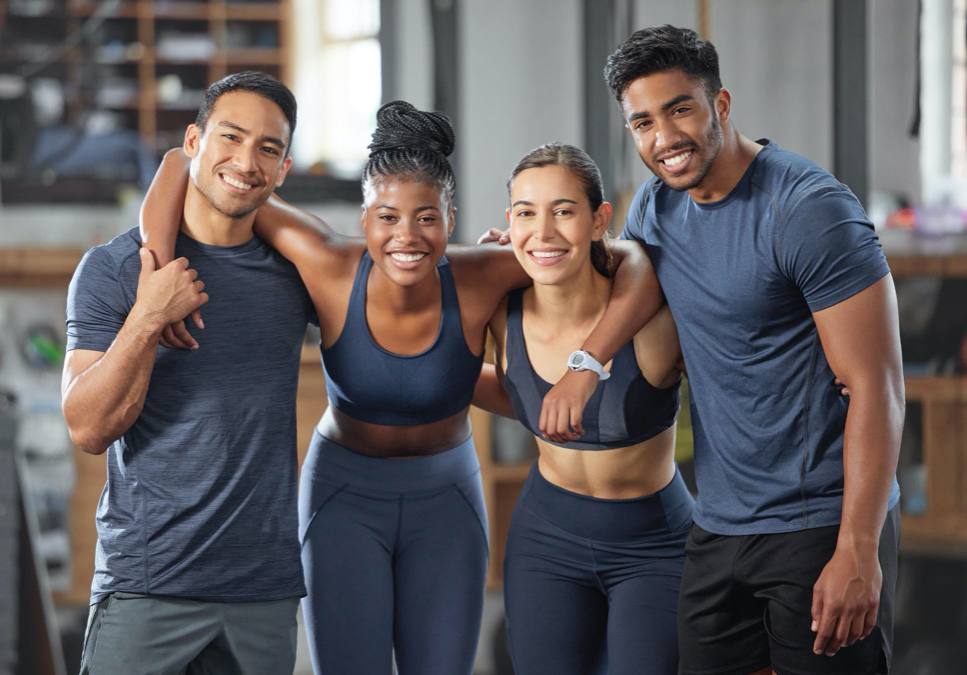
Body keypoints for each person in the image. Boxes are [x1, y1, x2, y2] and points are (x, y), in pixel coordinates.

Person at [140, 101, 663, 674]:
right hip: (343, 497)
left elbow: (635, 262)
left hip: (447, 501)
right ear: (363, 219)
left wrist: (585, 365)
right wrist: (157, 275)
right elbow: (179, 165)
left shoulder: (488, 269)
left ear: (451, 219)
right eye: (386, 218)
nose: (406, 237)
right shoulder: (326, 261)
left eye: (426, 219)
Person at [606, 25, 903, 675]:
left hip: (820, 521)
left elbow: (876, 385)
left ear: (720, 103)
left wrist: (858, 543)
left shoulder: (808, 208)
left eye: (680, 108)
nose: (663, 138)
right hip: (717, 524)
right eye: (642, 122)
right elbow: (599, 299)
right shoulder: (654, 212)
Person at [62, 71, 316, 674]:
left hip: (263, 589)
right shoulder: (116, 269)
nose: (246, 160)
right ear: (195, 142)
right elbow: (87, 428)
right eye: (231, 137)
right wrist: (148, 316)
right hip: (148, 583)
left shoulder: (296, 273)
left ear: (282, 171)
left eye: (268, 148)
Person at [471, 142, 692, 674]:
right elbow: (516, 393)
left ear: (599, 220)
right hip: (546, 537)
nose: (543, 231)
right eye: (526, 213)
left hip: (653, 545)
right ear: (508, 221)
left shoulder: (653, 321)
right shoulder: (502, 310)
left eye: (563, 212)